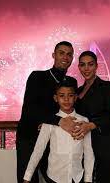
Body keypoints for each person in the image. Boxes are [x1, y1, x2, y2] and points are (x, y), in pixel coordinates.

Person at [16, 41, 78, 183]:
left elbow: (72, 109)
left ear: (72, 58)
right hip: (30, 137)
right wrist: (58, 121)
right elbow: (29, 110)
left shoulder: (71, 82)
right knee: (27, 178)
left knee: (56, 178)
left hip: (53, 139)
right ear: (53, 55)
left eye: (69, 54)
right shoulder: (37, 77)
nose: (65, 57)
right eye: (61, 53)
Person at [73, 51, 110, 183]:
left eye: (90, 64)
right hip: (90, 147)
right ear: (79, 67)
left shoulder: (108, 87)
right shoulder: (77, 91)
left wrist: (92, 125)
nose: (86, 68)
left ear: (96, 66)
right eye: (83, 65)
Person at [23, 80, 94, 183]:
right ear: (56, 98)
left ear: (75, 97)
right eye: (62, 96)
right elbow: (38, 150)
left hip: (77, 177)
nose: (66, 99)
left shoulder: (84, 121)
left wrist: (88, 179)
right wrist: (27, 177)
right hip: (54, 177)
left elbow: (88, 152)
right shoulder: (50, 122)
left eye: (70, 95)